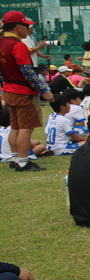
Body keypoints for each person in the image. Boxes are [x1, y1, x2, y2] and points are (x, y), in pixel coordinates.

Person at [1, 10, 54, 171]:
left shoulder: (2, 42)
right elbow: (28, 71)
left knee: (15, 126)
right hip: (23, 91)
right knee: (26, 128)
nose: (28, 29)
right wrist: (44, 90)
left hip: (8, 89)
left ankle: (16, 158)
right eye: (26, 26)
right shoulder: (18, 45)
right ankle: (24, 161)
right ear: (18, 27)